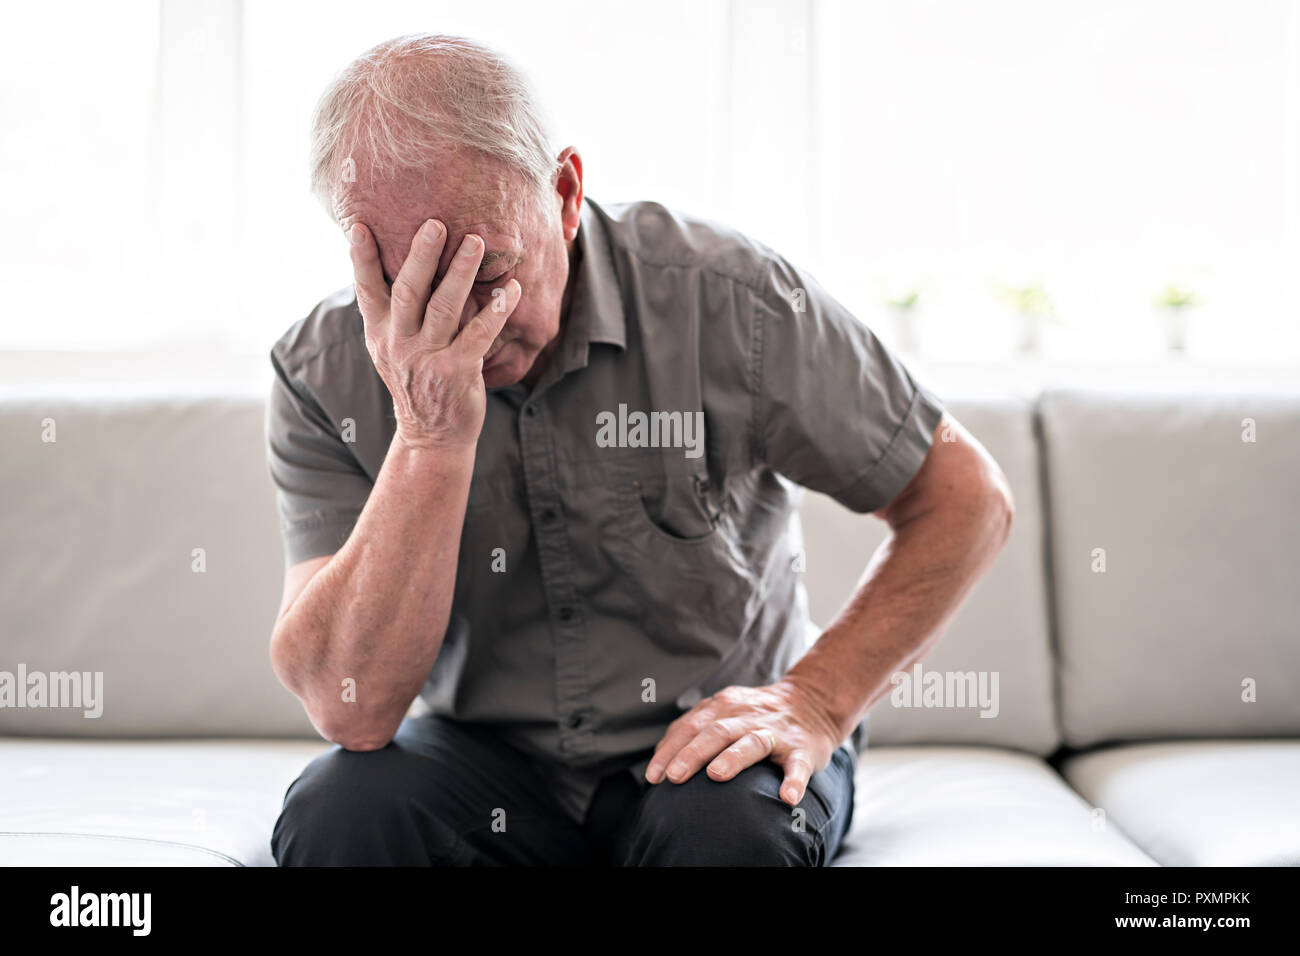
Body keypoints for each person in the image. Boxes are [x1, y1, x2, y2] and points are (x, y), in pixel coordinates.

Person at [266, 33, 1014, 866]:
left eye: (489, 275)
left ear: (565, 191)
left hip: (717, 749)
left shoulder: (737, 302)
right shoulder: (321, 372)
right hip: (489, 758)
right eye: (414, 287)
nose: (460, 330)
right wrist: (430, 437)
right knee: (340, 813)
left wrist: (815, 700)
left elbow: (967, 497)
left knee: (722, 838)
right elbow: (352, 709)